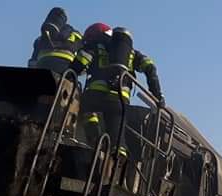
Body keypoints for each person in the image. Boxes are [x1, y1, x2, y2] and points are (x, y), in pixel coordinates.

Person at [69, 24, 164, 158]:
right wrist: (157, 94)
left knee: (86, 108)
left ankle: (95, 138)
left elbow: (82, 60)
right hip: (120, 99)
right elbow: (150, 67)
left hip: (96, 95)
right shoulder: (132, 53)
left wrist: (69, 73)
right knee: (117, 133)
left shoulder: (96, 45)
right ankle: (118, 157)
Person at [28, 7, 84, 74]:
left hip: (42, 64)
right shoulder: (74, 33)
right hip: (65, 67)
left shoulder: (41, 38)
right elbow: (83, 55)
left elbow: (32, 62)